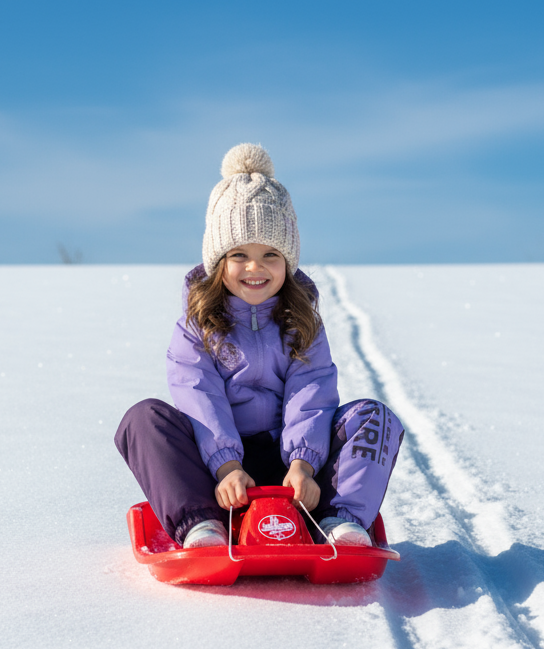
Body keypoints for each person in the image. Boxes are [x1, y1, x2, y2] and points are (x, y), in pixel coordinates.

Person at [115, 143, 404, 549]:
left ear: (288, 261)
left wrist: (303, 465)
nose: (255, 267)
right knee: (142, 419)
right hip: (220, 476)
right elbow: (199, 396)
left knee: (375, 418)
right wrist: (227, 467)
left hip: (295, 474)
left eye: (270, 254)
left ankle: (339, 520)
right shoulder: (196, 328)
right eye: (239, 255)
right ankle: (201, 525)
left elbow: (313, 394)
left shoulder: (302, 324)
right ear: (218, 262)